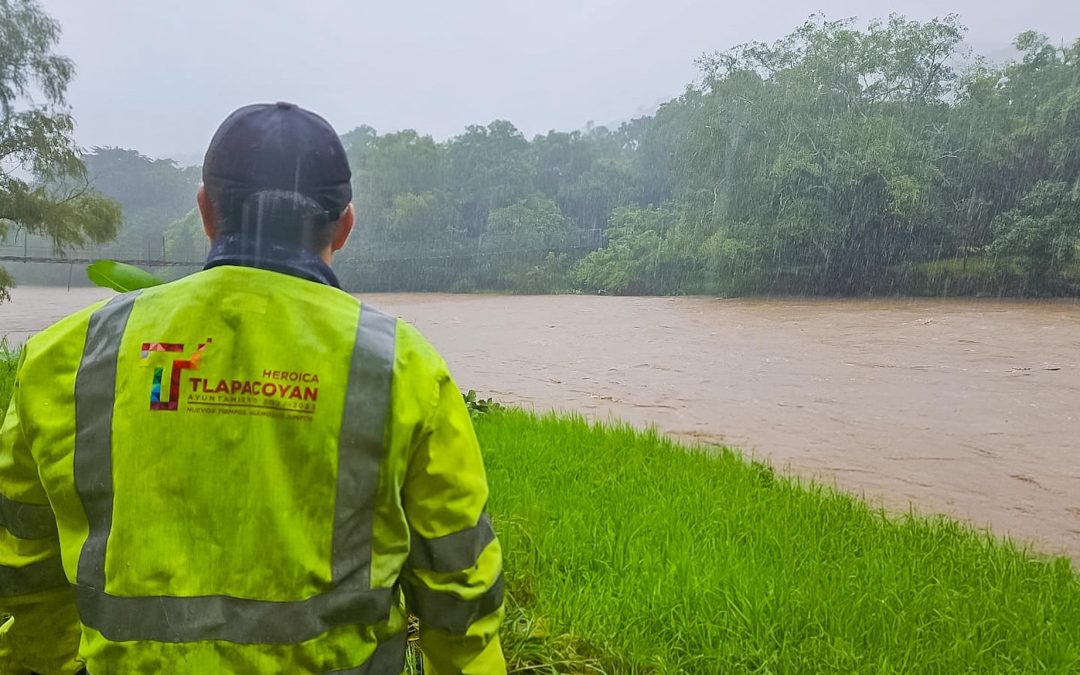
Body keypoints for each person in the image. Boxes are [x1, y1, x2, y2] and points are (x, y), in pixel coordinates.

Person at [0, 102, 505, 674]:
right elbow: (461, 602)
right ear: (345, 224)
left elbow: (25, 568)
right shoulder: (403, 368)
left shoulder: (68, 355)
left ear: (206, 212)